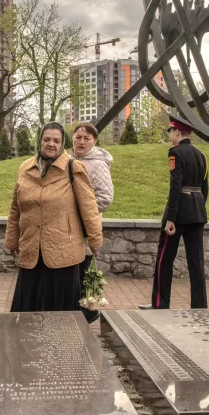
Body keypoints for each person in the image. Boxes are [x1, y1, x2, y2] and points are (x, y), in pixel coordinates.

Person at [7, 122, 103, 312]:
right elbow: (15, 209)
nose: (51, 144)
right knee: (28, 309)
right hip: (31, 249)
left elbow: (89, 208)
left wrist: (95, 240)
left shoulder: (73, 168)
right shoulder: (25, 168)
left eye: (56, 141)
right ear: (40, 141)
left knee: (60, 311)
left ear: (62, 144)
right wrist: (11, 239)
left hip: (63, 251)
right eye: (47, 139)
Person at [140, 114, 208, 310]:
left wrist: (171, 217)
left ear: (177, 132)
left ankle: (161, 303)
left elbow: (176, 185)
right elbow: (205, 188)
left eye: (171, 131)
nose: (170, 135)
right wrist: (199, 208)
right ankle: (199, 306)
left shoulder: (175, 153)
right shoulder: (201, 155)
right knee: (196, 262)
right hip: (197, 212)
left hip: (178, 215)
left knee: (164, 259)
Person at [71, 122, 113, 321]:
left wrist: (82, 212)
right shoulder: (66, 159)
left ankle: (88, 312)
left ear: (94, 141)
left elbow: (105, 197)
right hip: (67, 227)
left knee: (84, 270)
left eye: (86, 138)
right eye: (78, 137)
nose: (81, 141)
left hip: (86, 227)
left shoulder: (97, 163)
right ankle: (76, 310)